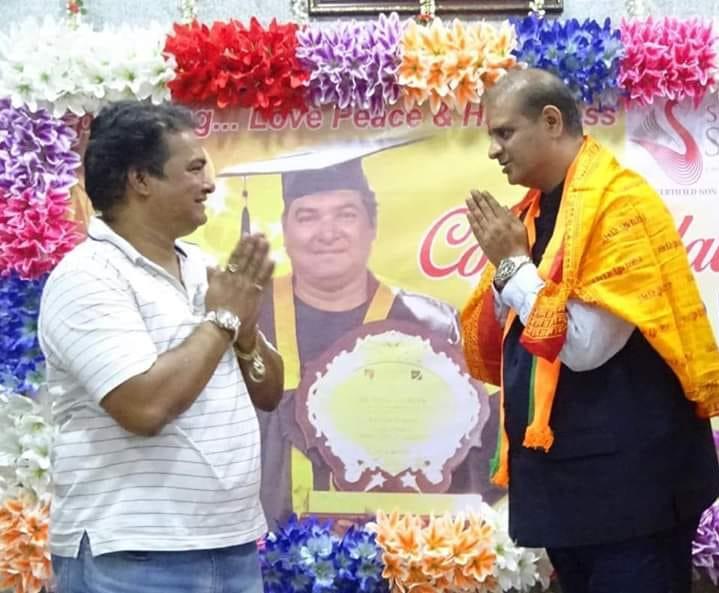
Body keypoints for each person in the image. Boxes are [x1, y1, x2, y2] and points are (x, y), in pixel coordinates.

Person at [461, 68, 719, 593]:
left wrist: (512, 266)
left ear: (551, 121)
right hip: (568, 492)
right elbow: (508, 326)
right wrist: (510, 269)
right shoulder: (533, 212)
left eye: (504, 133)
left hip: (633, 497)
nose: (492, 151)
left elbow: (584, 347)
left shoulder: (618, 204)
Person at [38, 101, 284, 593]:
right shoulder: (87, 277)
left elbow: (270, 392)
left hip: (231, 546)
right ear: (140, 180)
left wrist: (245, 331)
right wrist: (222, 321)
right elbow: (144, 408)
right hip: (133, 557)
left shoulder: (200, 266)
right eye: (194, 169)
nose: (209, 184)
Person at [251, 153, 503, 527]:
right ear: (285, 231)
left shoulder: (432, 325)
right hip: (259, 542)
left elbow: (480, 448)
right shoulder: (248, 316)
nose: (327, 232)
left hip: (395, 540)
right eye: (307, 216)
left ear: (372, 227)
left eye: (346, 214)